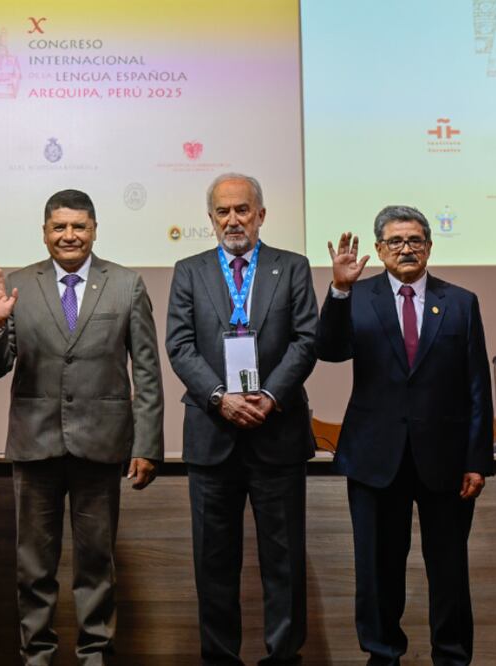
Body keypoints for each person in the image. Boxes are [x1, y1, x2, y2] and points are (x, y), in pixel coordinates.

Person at [0, 189, 164, 665]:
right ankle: (36, 656)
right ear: (44, 233)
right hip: (35, 443)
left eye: (79, 226)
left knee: (96, 565)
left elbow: (146, 371)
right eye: (59, 227)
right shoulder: (18, 284)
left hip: (101, 447)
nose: (69, 235)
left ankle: (95, 654)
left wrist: (148, 445)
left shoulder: (125, 284)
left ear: (95, 229)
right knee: (33, 567)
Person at [317, 206, 492, 665]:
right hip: (375, 458)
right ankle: (382, 655)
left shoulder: (460, 302)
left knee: (450, 571)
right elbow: (330, 351)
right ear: (378, 250)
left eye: (415, 240)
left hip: (446, 461)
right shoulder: (356, 296)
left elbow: (477, 386)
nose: (406, 248)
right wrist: (338, 289)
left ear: (430, 247)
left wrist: (477, 460)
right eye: (395, 242)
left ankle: (452, 656)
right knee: (377, 571)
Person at [165, 173, 317, 665]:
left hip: (278, 435)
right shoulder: (188, 270)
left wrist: (269, 395)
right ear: (210, 219)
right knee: (213, 565)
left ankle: (284, 658)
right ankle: (219, 658)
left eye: (243, 210)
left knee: (284, 563)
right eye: (223, 212)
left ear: (261, 215)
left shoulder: (291, 267)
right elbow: (180, 346)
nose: (233, 220)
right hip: (213, 436)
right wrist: (219, 397)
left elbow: (306, 341)